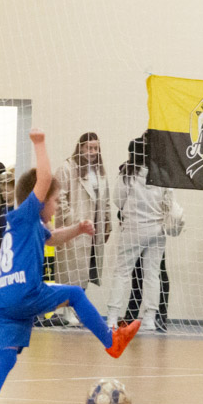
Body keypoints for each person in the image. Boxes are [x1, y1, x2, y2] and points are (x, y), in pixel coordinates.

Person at [0, 129, 139, 404]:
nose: (57, 205)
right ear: (39, 200)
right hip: (25, 293)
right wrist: (39, 143)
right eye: (55, 200)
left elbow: (53, 238)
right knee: (74, 293)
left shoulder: (27, 224)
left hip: (3, 302)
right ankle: (111, 342)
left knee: (6, 357)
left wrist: (78, 229)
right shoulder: (26, 214)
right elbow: (45, 177)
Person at [106, 133, 178, 332]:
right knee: (152, 275)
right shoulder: (162, 174)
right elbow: (169, 203)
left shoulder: (127, 173)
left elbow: (118, 200)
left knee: (122, 272)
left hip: (134, 229)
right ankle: (149, 319)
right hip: (157, 230)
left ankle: (112, 317)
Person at [53, 131, 111, 326]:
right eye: (89, 148)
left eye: (96, 148)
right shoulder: (67, 168)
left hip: (93, 230)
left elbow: (106, 199)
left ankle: (74, 309)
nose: (92, 152)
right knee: (70, 273)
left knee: (85, 273)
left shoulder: (100, 172)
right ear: (81, 147)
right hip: (74, 229)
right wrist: (71, 221)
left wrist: (107, 223)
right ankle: (66, 311)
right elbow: (58, 197)